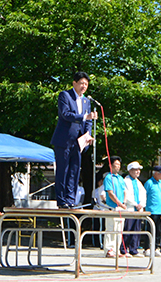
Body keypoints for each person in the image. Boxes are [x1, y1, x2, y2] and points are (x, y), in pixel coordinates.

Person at [51, 71, 98, 208]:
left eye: (86, 84)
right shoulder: (65, 95)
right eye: (81, 83)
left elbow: (88, 122)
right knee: (63, 170)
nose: (84, 86)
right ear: (74, 83)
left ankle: (71, 199)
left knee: (75, 171)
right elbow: (65, 114)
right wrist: (85, 117)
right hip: (64, 140)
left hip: (78, 142)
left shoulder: (86, 100)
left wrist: (88, 134)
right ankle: (61, 200)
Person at [120, 161, 146, 257]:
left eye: (138, 170)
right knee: (127, 229)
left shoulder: (138, 182)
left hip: (138, 210)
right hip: (130, 208)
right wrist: (135, 204)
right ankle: (124, 249)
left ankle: (134, 249)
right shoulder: (125, 181)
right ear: (130, 170)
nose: (138, 171)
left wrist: (141, 204)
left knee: (136, 230)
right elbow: (126, 195)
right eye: (136, 169)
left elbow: (144, 194)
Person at [103, 156, 127, 258]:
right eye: (115, 165)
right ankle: (109, 249)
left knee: (119, 229)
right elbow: (110, 193)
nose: (118, 167)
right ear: (110, 165)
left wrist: (124, 202)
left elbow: (125, 191)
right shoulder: (109, 178)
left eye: (119, 165)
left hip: (121, 207)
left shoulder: (121, 178)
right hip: (111, 207)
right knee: (110, 228)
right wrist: (120, 203)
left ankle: (117, 249)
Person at [143, 165, 161, 257]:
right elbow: (144, 195)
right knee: (149, 229)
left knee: (158, 230)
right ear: (156, 173)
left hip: (159, 210)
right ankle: (147, 248)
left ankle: (156, 247)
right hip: (151, 210)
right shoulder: (149, 183)